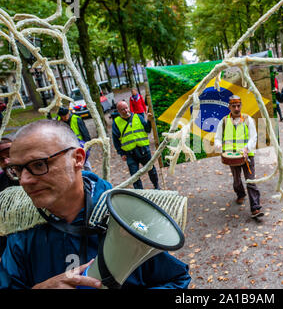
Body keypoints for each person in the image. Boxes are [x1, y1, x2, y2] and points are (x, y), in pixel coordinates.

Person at [0, 120, 190, 289]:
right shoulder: (21, 231)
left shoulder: (126, 218)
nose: (24, 180)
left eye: (39, 165)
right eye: (16, 169)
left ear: (78, 159)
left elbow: (177, 279)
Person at [214, 95, 263, 219]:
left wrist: (247, 148)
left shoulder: (248, 119)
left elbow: (254, 137)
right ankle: (240, 194)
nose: (236, 108)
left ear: (241, 105)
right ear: (229, 107)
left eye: (238, 105)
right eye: (234, 106)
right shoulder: (224, 121)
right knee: (236, 180)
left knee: (250, 181)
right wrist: (219, 145)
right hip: (232, 157)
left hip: (247, 156)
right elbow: (218, 138)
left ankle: (255, 208)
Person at [112, 101, 159, 190]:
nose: (126, 111)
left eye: (126, 108)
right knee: (134, 175)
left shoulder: (138, 117)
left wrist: (149, 121)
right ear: (118, 111)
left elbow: (147, 130)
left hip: (144, 150)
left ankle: (156, 186)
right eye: (122, 109)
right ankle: (140, 192)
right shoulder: (116, 123)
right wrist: (121, 153)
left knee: (151, 170)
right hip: (130, 153)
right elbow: (116, 140)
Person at [0, 137, 20, 257]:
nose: (6, 161)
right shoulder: (1, 183)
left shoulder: (36, 177)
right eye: (2, 159)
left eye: (9, 156)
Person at [57, 107, 92, 171]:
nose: (65, 118)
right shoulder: (58, 121)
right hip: (67, 144)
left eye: (65, 115)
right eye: (63, 116)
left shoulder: (76, 119)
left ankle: (89, 174)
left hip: (79, 143)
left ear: (68, 113)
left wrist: (88, 144)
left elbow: (85, 132)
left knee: (85, 161)